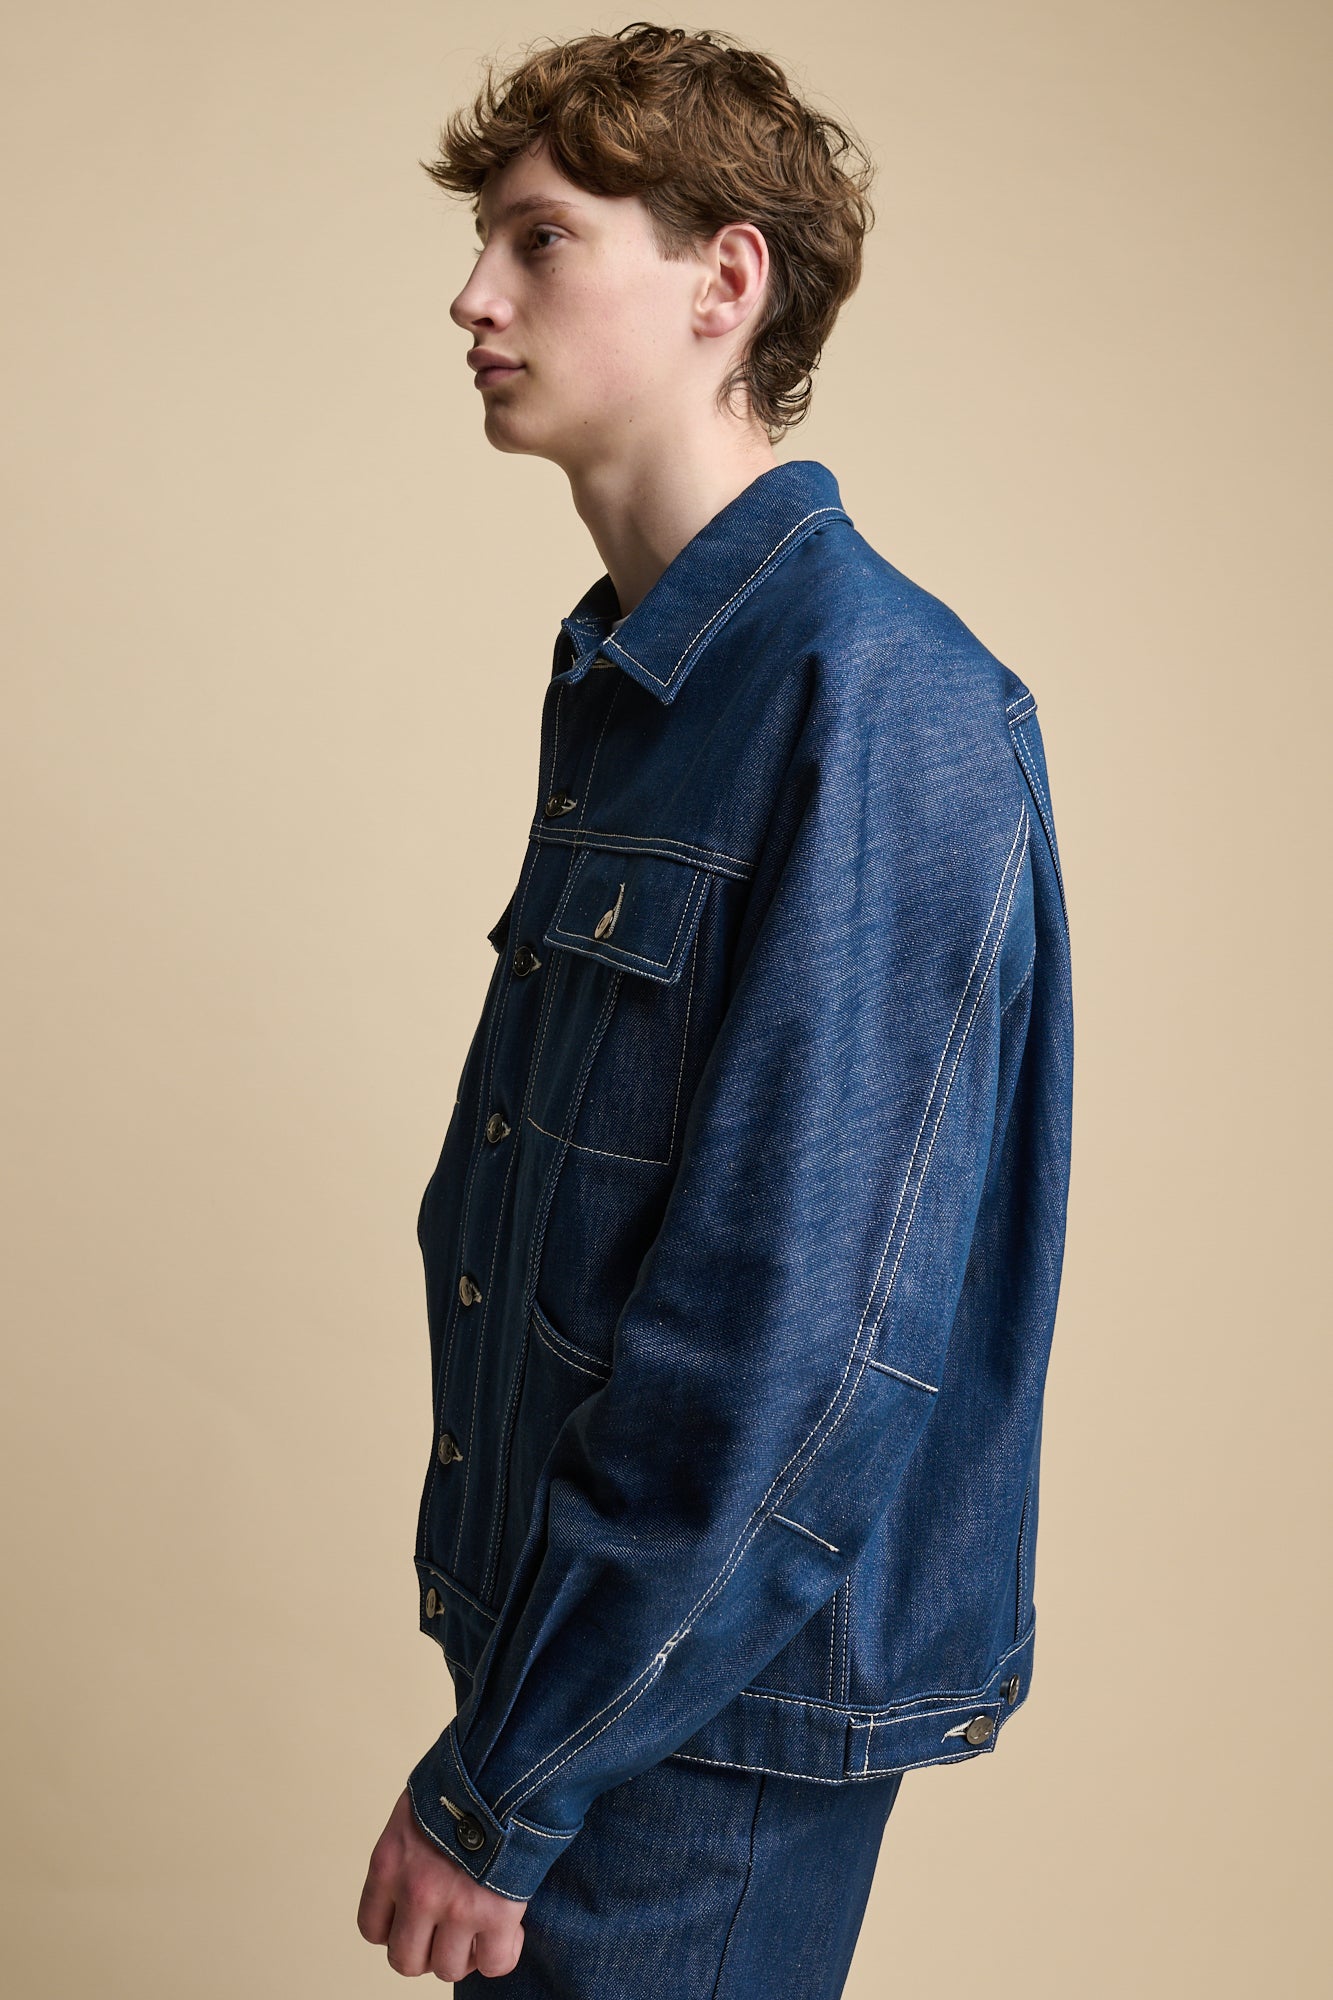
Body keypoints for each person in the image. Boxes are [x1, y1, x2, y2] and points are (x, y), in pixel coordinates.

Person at [357, 21, 1073, 1995]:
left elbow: (799, 1355)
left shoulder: (881, 703)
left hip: (684, 1735)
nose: (471, 296)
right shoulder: (633, 684)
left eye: (539, 239)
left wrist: (512, 1777)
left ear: (721, 279)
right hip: (585, 1682)